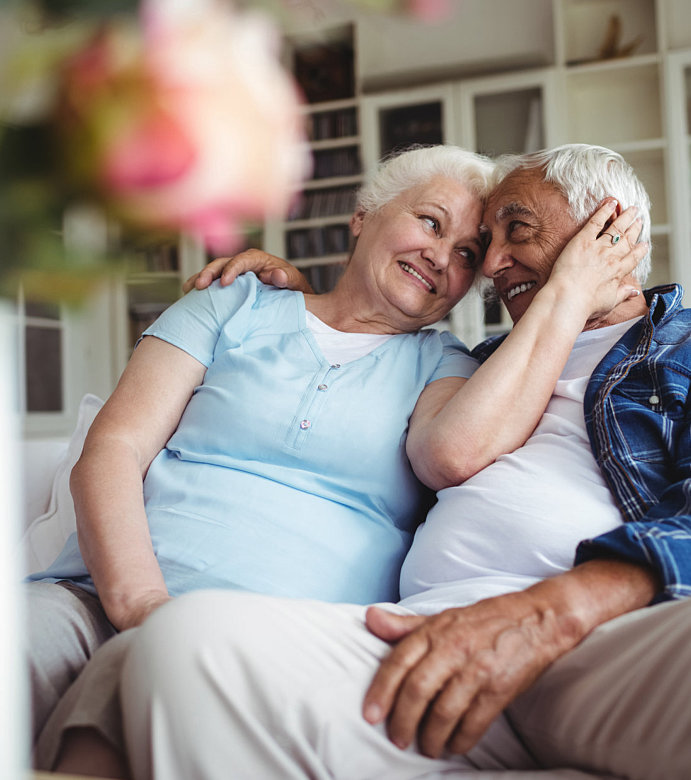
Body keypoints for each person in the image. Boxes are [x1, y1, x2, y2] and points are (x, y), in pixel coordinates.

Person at [32, 142, 642, 779]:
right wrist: (140, 604)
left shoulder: (451, 365)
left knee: (151, 662)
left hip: (277, 629)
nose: (444, 257)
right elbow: (114, 447)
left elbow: (453, 452)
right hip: (102, 594)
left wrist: (569, 288)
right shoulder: (236, 302)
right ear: (363, 214)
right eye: (430, 223)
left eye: (467, 253)